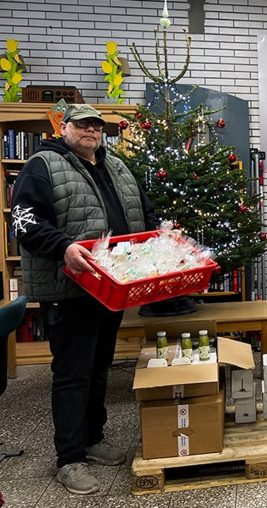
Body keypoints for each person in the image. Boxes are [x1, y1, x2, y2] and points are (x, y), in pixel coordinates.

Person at [11, 104, 160, 495]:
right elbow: (23, 221)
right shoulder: (42, 165)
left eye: (97, 125)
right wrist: (63, 248)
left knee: (99, 368)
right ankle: (70, 459)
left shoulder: (118, 166)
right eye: (82, 124)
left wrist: (161, 234)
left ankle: (93, 438)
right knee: (72, 373)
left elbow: (142, 212)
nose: (91, 130)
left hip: (112, 288)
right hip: (70, 289)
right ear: (65, 127)